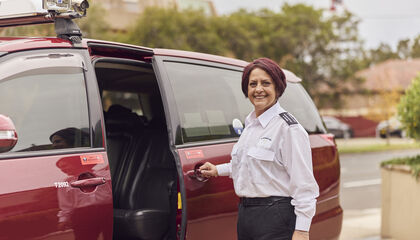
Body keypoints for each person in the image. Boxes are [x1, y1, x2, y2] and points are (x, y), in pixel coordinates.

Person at [199, 58, 319, 240]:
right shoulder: (250, 125)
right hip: (247, 215)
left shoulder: (288, 128)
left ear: (278, 88)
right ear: (247, 90)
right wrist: (217, 170)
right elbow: (247, 164)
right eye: (252, 84)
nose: (258, 89)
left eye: (266, 83)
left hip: (276, 217)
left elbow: (304, 185)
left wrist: (302, 230)